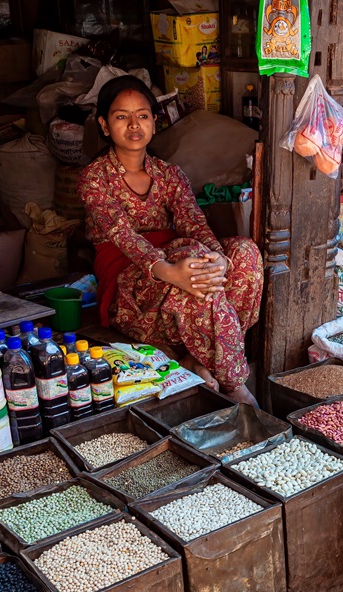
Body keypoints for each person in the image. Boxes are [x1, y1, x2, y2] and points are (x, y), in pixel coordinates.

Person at [79, 75, 263, 406]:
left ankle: (203, 360)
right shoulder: (94, 178)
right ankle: (233, 382)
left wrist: (220, 258)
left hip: (179, 269)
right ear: (105, 126)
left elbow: (194, 223)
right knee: (191, 259)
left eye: (143, 115)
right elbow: (123, 237)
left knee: (244, 253)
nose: (134, 125)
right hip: (131, 284)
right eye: (122, 117)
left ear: (154, 121)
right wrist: (169, 270)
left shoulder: (169, 174)